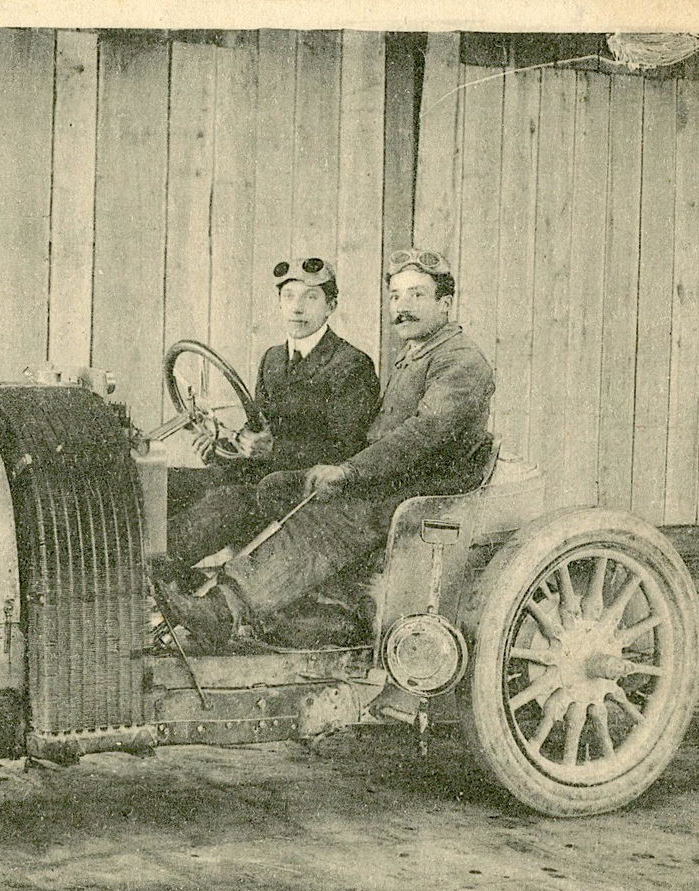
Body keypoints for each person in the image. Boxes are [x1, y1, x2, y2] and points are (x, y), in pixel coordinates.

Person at [156, 247, 495, 648]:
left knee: (326, 519)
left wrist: (349, 472)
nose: (402, 306)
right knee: (273, 490)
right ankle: (218, 585)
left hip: (424, 495)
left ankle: (225, 608)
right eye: (396, 296)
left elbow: (419, 436)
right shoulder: (419, 354)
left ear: (445, 304)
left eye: (417, 295)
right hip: (393, 482)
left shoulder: (461, 362)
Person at [162, 256, 379, 582]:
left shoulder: (351, 364)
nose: (298, 308)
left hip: (301, 493)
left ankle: (141, 577)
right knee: (165, 483)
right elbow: (258, 430)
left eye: (311, 297)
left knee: (226, 502)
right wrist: (221, 447)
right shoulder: (273, 359)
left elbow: (345, 452)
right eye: (289, 296)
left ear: (330, 305)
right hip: (257, 478)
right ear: (279, 303)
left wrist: (273, 451)